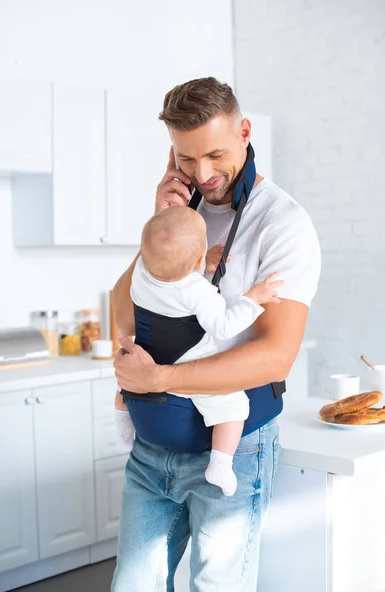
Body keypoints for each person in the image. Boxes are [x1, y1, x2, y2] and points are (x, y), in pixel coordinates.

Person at [111, 77, 321, 592]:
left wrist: (158, 376)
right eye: (185, 159)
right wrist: (164, 222)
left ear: (245, 132)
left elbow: (274, 357)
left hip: (233, 450)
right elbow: (123, 316)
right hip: (152, 448)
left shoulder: (284, 225)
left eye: (214, 155)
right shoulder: (180, 217)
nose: (201, 174)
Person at [115, 205, 283, 497]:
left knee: (127, 382)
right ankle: (220, 462)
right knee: (233, 406)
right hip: (188, 358)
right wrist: (253, 298)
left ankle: (123, 422)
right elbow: (224, 326)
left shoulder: (141, 273)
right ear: (198, 258)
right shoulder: (196, 290)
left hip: (149, 352)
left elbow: (167, 275)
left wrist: (198, 266)